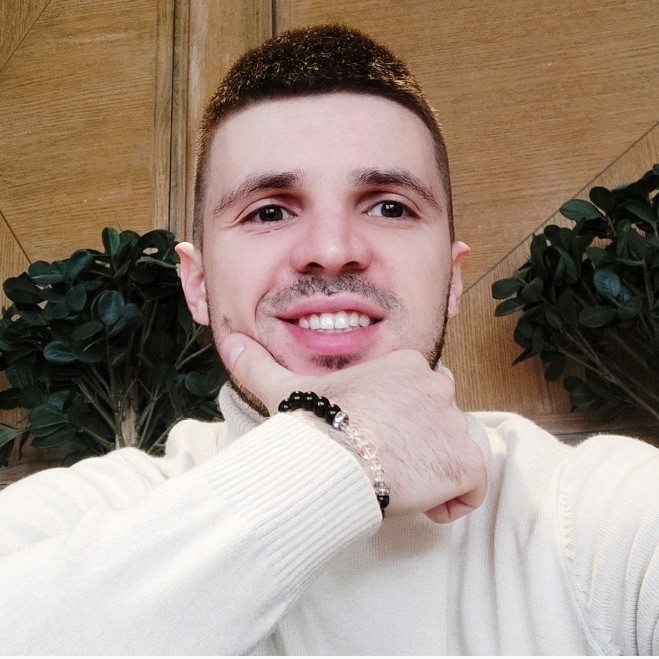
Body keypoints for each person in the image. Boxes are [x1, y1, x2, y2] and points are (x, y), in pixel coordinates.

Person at [1, 24, 658, 655]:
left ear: (452, 278)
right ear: (196, 286)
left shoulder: (594, 511)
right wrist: (337, 450)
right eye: (268, 211)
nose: (332, 249)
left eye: (389, 206)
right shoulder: (88, 513)